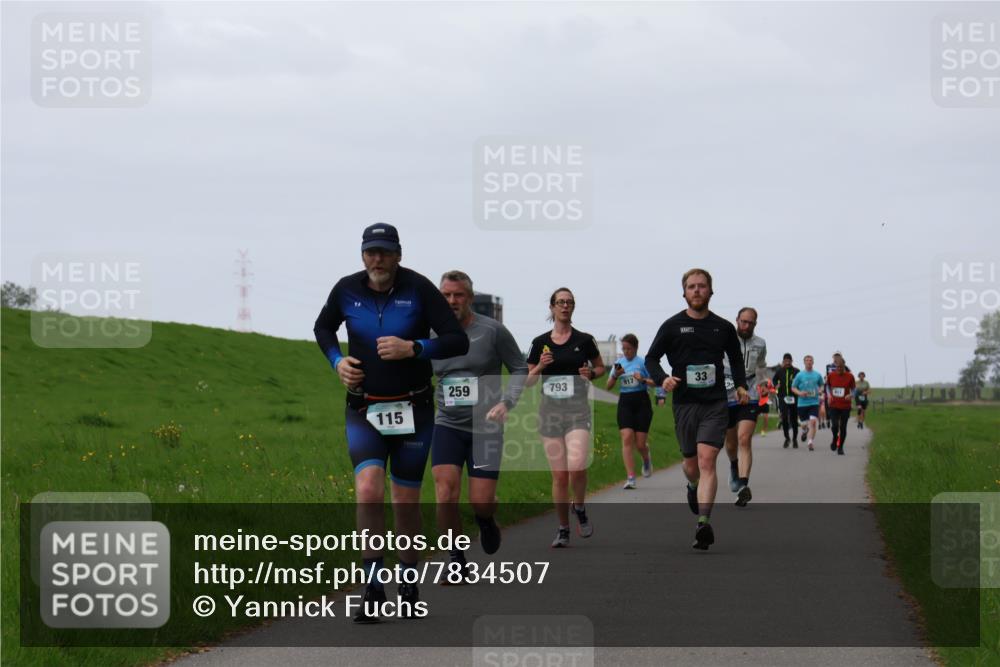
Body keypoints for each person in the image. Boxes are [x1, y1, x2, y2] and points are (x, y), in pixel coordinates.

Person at [313, 223, 469, 623]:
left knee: (405, 501)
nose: (377, 260)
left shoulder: (418, 289)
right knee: (368, 490)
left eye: (384, 252)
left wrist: (414, 348)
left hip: (413, 410)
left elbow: (456, 340)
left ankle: (409, 583)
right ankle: (372, 585)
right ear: (362, 255)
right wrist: (337, 361)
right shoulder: (346, 289)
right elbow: (323, 327)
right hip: (364, 408)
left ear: (398, 253)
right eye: (370, 252)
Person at [431, 270, 528, 579]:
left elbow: (518, 367)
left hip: (486, 426)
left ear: (470, 298)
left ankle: (486, 520)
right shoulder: (429, 334)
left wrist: (506, 402)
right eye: (446, 295)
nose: (452, 300)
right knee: (445, 492)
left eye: (458, 295)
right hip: (446, 422)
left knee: (481, 501)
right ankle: (456, 559)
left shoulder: (492, 331)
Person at [646, 268, 748, 550]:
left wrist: (740, 386)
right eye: (691, 287)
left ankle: (703, 522)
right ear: (684, 292)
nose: (697, 291)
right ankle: (692, 487)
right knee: (691, 466)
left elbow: (736, 360)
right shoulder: (672, 326)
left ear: (711, 291)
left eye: (702, 286)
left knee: (707, 461)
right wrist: (662, 379)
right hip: (685, 403)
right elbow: (651, 358)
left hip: (715, 404)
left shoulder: (723, 327)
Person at [525, 288, 605, 548]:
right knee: (559, 476)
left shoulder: (584, 339)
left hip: (577, 411)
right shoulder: (539, 343)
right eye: (561, 302)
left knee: (578, 464)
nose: (565, 306)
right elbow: (528, 381)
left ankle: (579, 506)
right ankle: (563, 528)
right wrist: (540, 366)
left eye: (570, 302)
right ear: (552, 307)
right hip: (550, 413)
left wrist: (590, 374)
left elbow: (600, 367)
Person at [722, 307, 767, 508]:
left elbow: (761, 366)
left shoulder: (760, 343)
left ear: (755, 324)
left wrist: (764, 382)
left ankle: (743, 486)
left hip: (750, 391)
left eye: (750, 323)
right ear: (737, 320)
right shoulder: (725, 338)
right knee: (731, 444)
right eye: (743, 322)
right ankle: (733, 465)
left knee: (744, 439)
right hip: (728, 390)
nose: (746, 326)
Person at [606, 333, 654, 489]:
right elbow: (608, 386)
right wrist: (615, 375)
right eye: (624, 348)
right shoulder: (619, 363)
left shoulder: (643, 363)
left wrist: (643, 380)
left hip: (642, 403)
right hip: (625, 402)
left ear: (636, 348)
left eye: (629, 349)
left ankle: (646, 459)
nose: (626, 352)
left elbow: (656, 382)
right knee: (627, 438)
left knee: (640, 444)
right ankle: (631, 477)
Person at [825, 353, 856, 455]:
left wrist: (851, 395)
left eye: (840, 367)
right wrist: (829, 395)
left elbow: (854, 389)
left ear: (844, 366)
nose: (838, 369)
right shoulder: (831, 375)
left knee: (843, 427)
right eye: (837, 367)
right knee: (834, 426)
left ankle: (840, 447)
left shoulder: (850, 376)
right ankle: (835, 439)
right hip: (834, 405)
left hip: (845, 406)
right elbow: (827, 387)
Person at [791, 355, 824, 451]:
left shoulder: (817, 375)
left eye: (810, 360)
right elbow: (793, 387)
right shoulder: (800, 375)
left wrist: (820, 390)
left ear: (813, 362)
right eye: (807, 360)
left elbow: (821, 385)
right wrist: (800, 393)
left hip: (814, 402)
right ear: (804, 362)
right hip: (802, 403)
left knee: (813, 423)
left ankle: (810, 442)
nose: (809, 362)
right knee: (804, 424)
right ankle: (805, 430)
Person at [772, 353, 800, 447]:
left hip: (794, 397)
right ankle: (787, 438)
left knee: (794, 419)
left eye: (789, 361)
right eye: (785, 361)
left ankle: (795, 439)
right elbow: (774, 380)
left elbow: (800, 381)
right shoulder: (780, 371)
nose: (787, 362)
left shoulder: (796, 371)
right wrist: (776, 385)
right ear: (783, 361)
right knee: (784, 418)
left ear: (792, 361)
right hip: (783, 397)